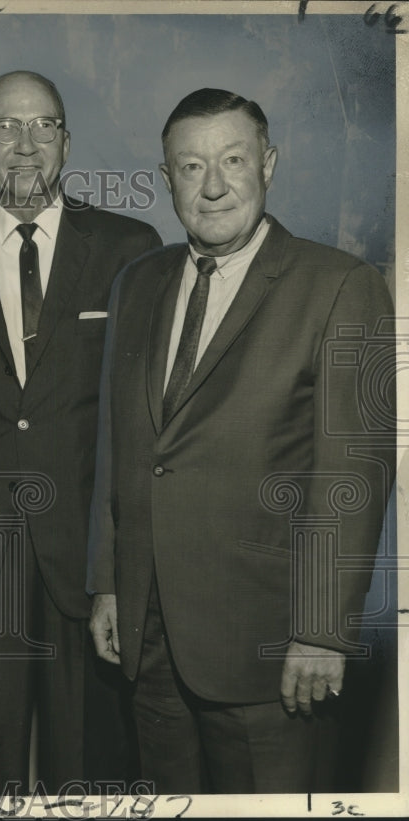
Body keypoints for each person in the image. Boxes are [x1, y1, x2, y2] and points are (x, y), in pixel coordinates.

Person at [87, 88, 395, 793]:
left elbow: (353, 471)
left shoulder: (340, 285)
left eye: (233, 159)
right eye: (192, 167)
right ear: (167, 181)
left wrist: (320, 629)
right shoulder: (138, 282)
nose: (215, 184)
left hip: (270, 650)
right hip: (151, 638)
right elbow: (121, 447)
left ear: (270, 164)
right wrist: (108, 581)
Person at [0, 71, 161, 795]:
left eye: (43, 125)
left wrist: (122, 567)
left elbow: (144, 416)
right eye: (5, 127)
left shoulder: (127, 246)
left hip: (90, 568)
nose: (25, 145)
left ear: (66, 142)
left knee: (95, 774)